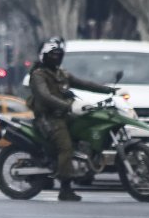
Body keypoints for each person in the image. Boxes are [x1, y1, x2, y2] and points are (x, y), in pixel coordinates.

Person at [28, 37, 115, 202]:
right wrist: (66, 106)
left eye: (59, 54)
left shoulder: (61, 73)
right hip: (48, 118)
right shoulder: (38, 75)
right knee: (65, 147)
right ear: (44, 55)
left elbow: (84, 84)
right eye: (53, 54)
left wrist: (108, 90)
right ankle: (65, 189)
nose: (56, 57)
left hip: (64, 115)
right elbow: (45, 97)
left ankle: (83, 163)